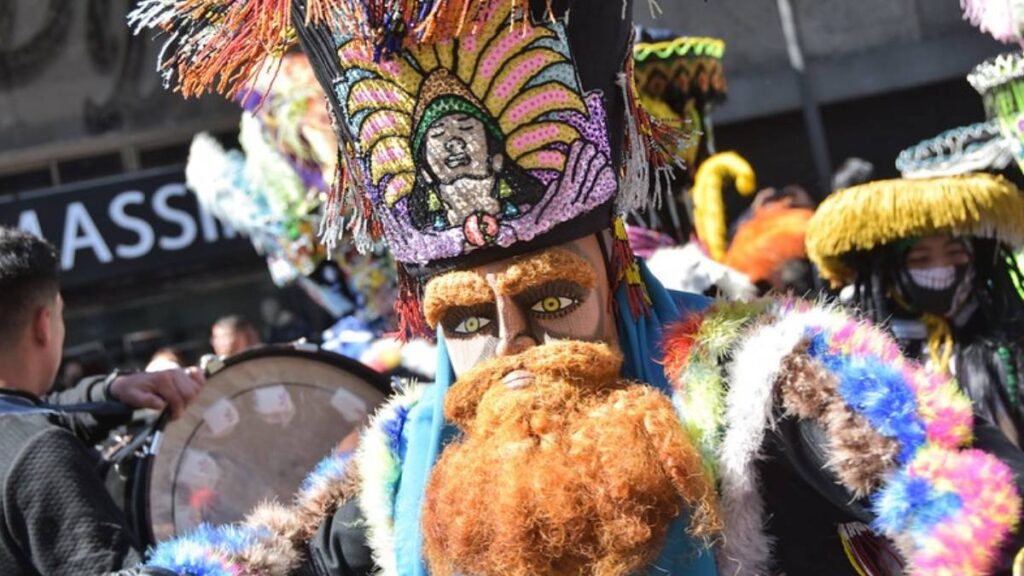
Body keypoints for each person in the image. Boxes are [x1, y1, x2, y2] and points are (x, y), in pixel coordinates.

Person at [132, 1, 1024, 575]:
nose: (512, 343)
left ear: (618, 273)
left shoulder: (749, 379)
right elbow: (263, 561)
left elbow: (952, 484)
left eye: (552, 300)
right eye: (469, 319)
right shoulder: (406, 453)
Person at [0, 227, 204, 575]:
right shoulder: (40, 451)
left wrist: (110, 391)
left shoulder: (22, 433)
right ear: (44, 325)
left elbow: (35, 413)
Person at [807, 173, 1024, 446]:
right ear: (888, 271)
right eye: (921, 258)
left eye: (955, 252)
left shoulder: (1011, 344)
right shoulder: (859, 359)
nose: (941, 266)